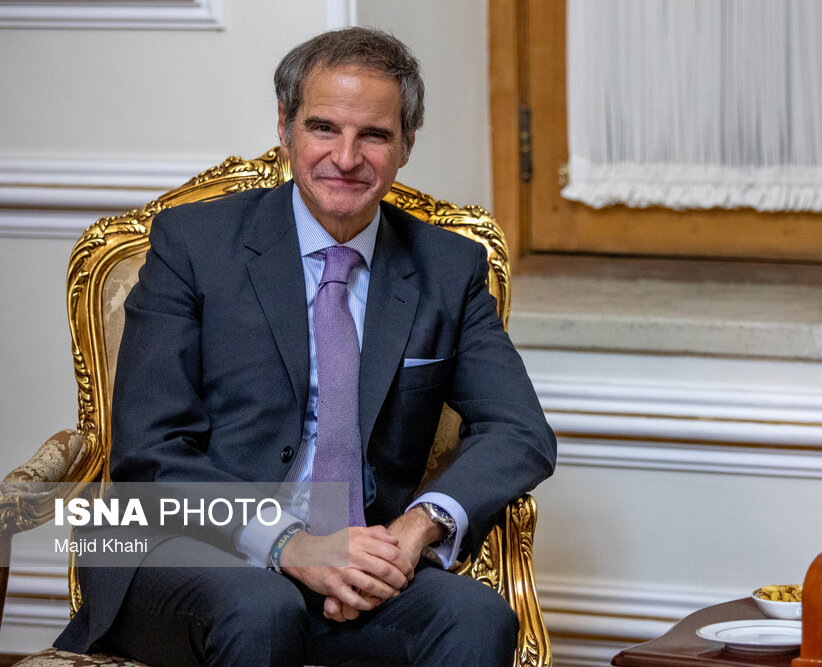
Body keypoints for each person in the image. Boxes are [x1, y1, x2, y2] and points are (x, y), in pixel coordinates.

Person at [53, 27, 556, 666]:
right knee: (262, 607)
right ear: (285, 127)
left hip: (358, 557)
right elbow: (151, 452)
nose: (346, 158)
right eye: (323, 128)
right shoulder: (192, 244)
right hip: (187, 550)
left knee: (476, 617)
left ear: (406, 144)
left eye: (374, 135)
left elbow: (519, 431)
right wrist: (290, 544)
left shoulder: (447, 267)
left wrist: (413, 531)